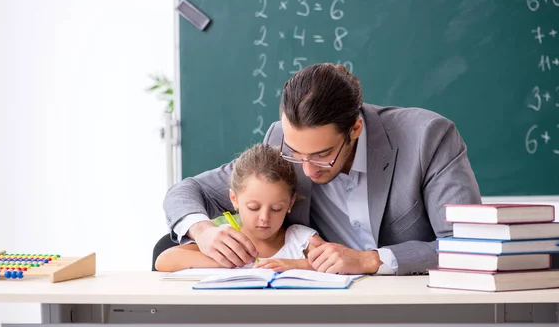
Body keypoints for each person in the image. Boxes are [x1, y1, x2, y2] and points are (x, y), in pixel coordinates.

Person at [163, 63, 481, 276]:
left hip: (413, 309)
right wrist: (202, 231)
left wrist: (372, 260)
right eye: (295, 152)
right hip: (320, 314)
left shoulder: (428, 137)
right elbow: (188, 191)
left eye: (321, 155)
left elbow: (470, 246)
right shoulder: (278, 143)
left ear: (355, 128)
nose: (306, 170)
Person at [156, 143, 320, 273]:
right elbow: (164, 261)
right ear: (234, 199)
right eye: (253, 207)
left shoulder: (300, 239)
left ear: (290, 203)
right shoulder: (225, 239)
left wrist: (296, 265)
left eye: (276, 208)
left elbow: (334, 264)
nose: (264, 217)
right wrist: (226, 261)